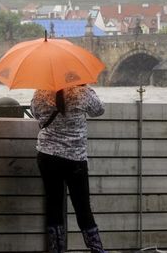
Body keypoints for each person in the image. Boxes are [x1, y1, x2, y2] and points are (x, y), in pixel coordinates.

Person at [31, 85, 106, 253]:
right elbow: (99, 110)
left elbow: (35, 113)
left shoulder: (41, 91)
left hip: (47, 155)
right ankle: (97, 249)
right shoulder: (82, 92)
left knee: (53, 204)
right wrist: (88, 88)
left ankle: (56, 249)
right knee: (82, 207)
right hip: (75, 158)